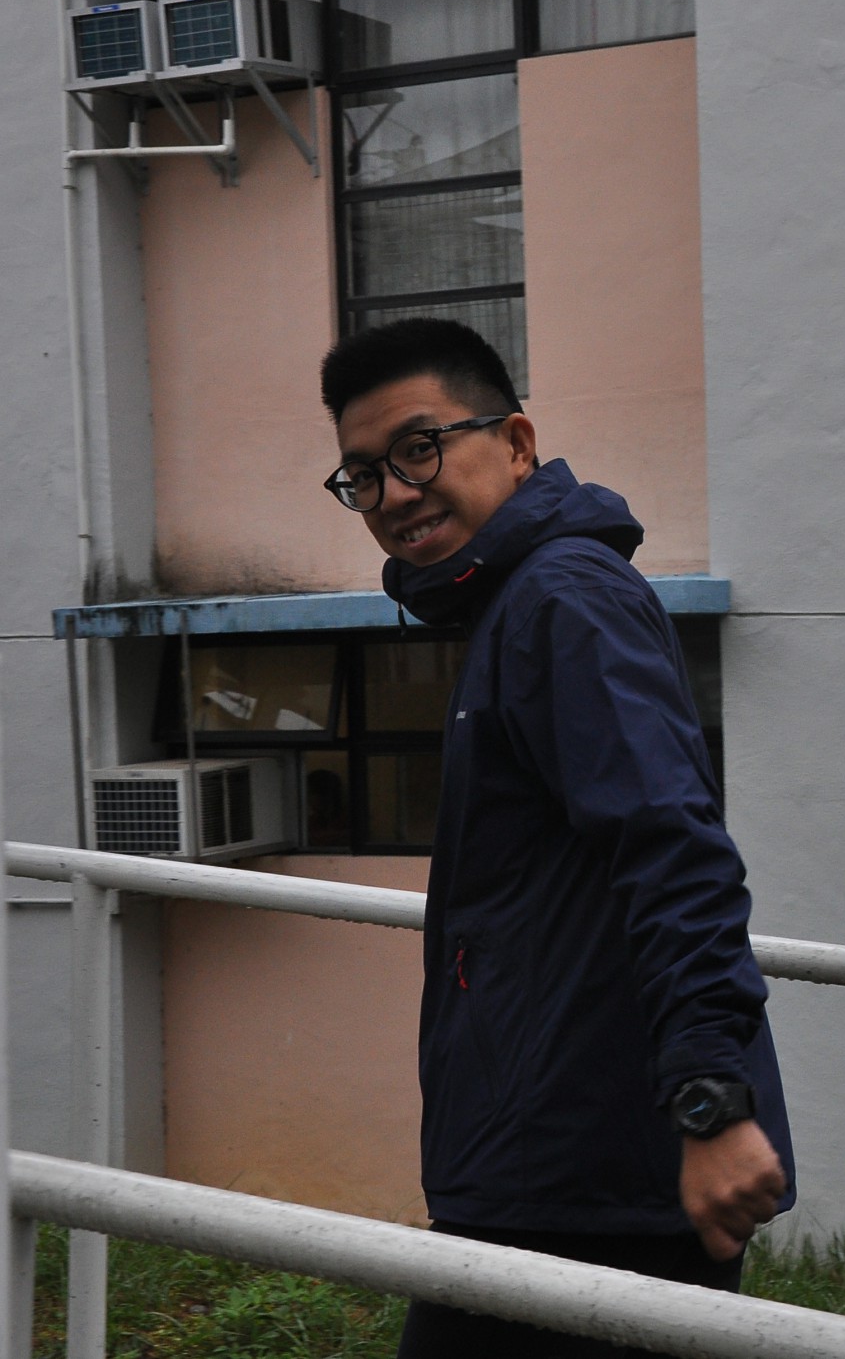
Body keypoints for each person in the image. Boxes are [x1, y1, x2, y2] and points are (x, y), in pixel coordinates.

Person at [319, 319, 793, 1357]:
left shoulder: (562, 601)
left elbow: (674, 851)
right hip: (550, 1159)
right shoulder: (516, 606)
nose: (395, 493)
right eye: (364, 474)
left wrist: (711, 1104)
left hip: (590, 1176)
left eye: (419, 448)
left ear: (518, 443)